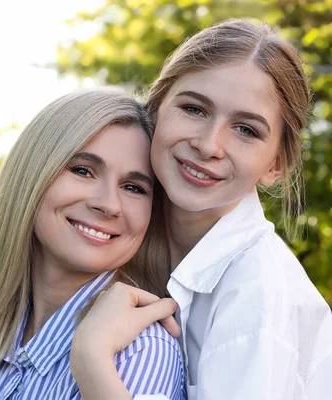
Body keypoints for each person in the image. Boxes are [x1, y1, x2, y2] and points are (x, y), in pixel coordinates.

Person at [69, 19, 332, 399]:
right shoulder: (121, 231)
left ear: (276, 165)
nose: (209, 144)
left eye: (246, 130)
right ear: (155, 110)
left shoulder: (256, 293)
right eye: (194, 109)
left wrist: (92, 362)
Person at [0, 89, 186, 400]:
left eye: (133, 187)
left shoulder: (140, 351)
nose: (108, 205)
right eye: (82, 170)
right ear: (31, 176)